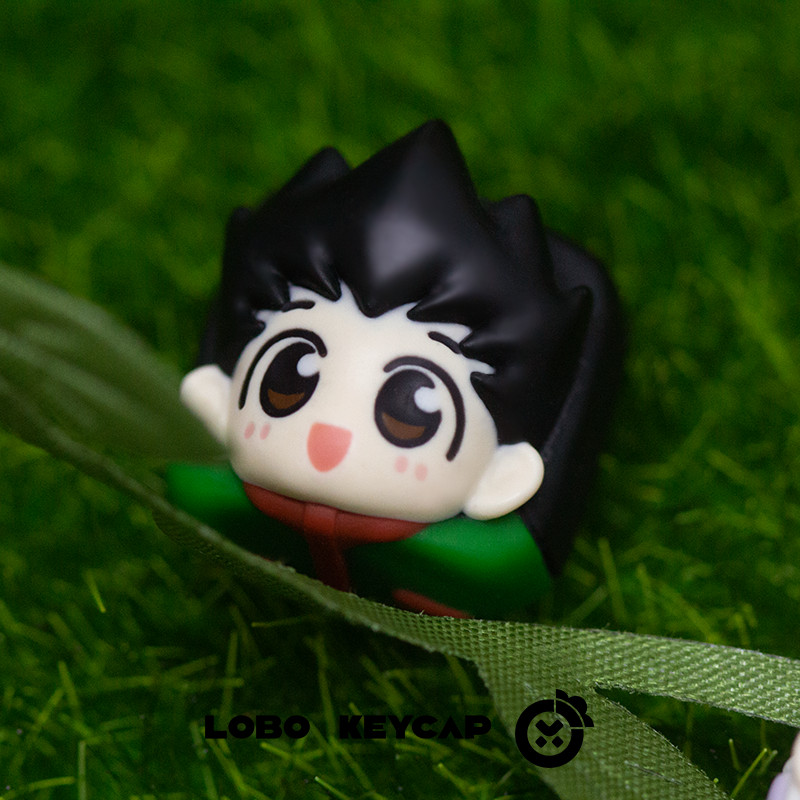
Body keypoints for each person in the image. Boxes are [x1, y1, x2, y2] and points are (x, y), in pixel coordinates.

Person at [171, 120, 623, 617]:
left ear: (505, 474)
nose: (331, 437)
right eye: (289, 380)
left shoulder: (490, 556)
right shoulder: (213, 488)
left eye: (409, 414)